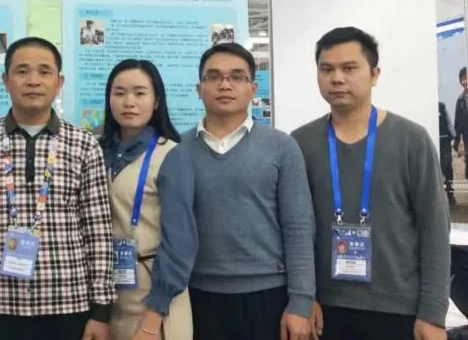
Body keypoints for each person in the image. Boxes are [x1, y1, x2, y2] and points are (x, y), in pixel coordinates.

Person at [147, 42, 315, 340]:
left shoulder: (282, 147)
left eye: (237, 76)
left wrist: (301, 301)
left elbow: (299, 227)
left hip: (267, 295)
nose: (225, 84)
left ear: (253, 89)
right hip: (196, 295)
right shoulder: (177, 150)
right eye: (213, 77)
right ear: (199, 89)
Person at [291, 27, 451, 340]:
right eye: (327, 69)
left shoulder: (411, 140)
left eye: (349, 68)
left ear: (374, 74)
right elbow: (296, 231)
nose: (337, 78)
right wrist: (303, 297)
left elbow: (434, 229)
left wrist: (433, 313)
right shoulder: (300, 143)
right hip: (324, 309)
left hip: (398, 308)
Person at [0, 37, 114, 340]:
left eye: (44, 71)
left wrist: (100, 311)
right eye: (22, 71)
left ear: (59, 82)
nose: (33, 81)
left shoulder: (84, 145)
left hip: (68, 302)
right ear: (6, 80)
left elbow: (97, 231)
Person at [98, 59, 192, 340]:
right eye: (119, 93)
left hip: (155, 295)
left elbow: (180, 242)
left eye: (140, 93)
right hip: (107, 294)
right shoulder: (96, 151)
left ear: (156, 101)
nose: (129, 102)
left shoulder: (171, 155)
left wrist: (152, 321)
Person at [440, 101, 458, 207]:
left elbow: (448, 122)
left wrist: (454, 137)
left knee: (447, 170)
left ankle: (450, 196)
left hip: (445, 142)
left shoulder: (442, 106)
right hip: (436, 141)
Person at [455, 67, 468, 174]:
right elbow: (457, 124)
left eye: (466, 78)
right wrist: (457, 142)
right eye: (462, 79)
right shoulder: (460, 101)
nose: (464, 81)